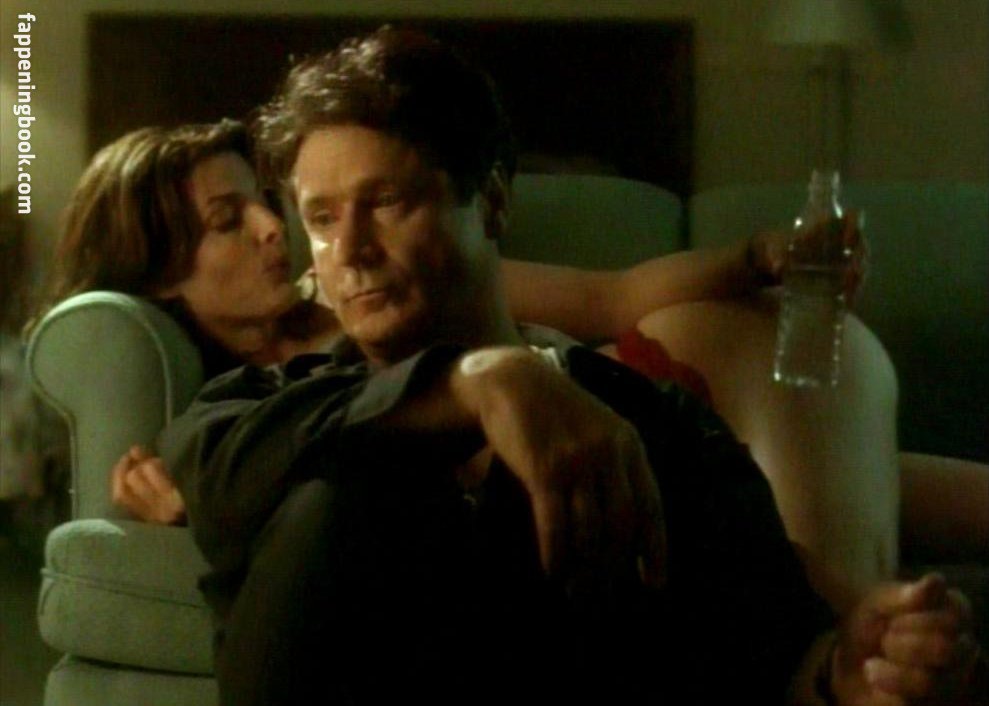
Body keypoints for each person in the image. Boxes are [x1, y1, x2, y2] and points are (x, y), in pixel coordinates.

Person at [157, 26, 986, 706]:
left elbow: (774, 653)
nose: (350, 250)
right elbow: (213, 468)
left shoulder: (650, 426)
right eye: (322, 219)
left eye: (388, 203)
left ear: (490, 202)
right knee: (339, 483)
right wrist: (480, 382)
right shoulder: (261, 410)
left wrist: (847, 673)